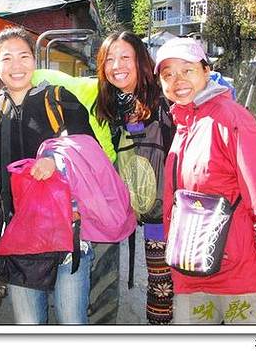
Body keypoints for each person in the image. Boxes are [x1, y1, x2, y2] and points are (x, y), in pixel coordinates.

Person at [0, 27, 96, 324]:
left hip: (67, 231)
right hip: (20, 233)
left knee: (72, 322)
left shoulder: (59, 99)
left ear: (34, 60)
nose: (16, 66)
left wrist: (56, 161)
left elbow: (88, 151)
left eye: (23, 56)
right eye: (6, 59)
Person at [155, 37, 256, 325]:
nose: (177, 81)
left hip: (240, 277)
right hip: (191, 272)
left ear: (207, 71)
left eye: (187, 70)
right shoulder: (184, 124)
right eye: (168, 74)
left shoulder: (231, 119)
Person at [94, 31, 175, 325]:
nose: (117, 65)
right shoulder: (113, 103)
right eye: (110, 59)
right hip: (149, 211)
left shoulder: (164, 99)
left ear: (140, 60)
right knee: (159, 283)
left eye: (125, 57)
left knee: (186, 282)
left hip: (175, 210)